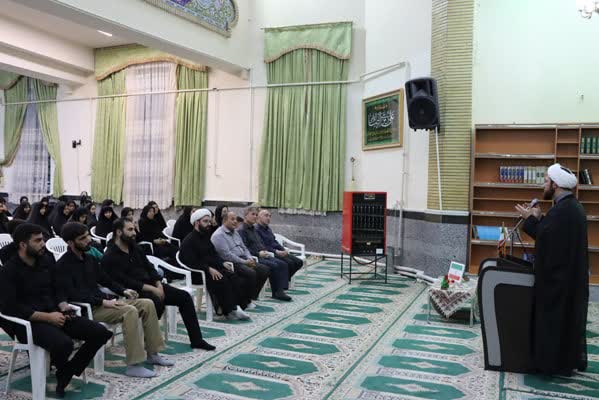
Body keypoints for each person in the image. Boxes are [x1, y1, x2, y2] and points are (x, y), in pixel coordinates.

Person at [0, 223, 112, 398]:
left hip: (55, 313)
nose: (43, 244)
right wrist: (47, 317)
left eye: (43, 239)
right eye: (38, 241)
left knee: (101, 332)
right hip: (30, 322)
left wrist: (62, 304)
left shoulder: (46, 261)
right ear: (23, 244)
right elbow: (11, 307)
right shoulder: (9, 271)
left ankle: (66, 371)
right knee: (64, 344)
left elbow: (57, 286)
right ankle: (65, 371)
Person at [55, 223, 173, 378]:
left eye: (88, 235)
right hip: (87, 310)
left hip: (103, 303)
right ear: (71, 243)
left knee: (147, 303)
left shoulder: (89, 259)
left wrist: (123, 291)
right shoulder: (62, 265)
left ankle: (153, 353)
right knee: (129, 311)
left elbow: (106, 280)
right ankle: (134, 364)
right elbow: (73, 295)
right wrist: (103, 302)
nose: (89, 240)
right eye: (82, 238)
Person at [515, 163, 589, 376]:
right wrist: (538, 218)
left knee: (552, 322)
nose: (544, 185)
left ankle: (549, 364)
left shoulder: (564, 210)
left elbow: (545, 237)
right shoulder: (568, 207)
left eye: (547, 181)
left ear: (555, 185)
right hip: (566, 278)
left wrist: (530, 220)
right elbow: (553, 233)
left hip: (559, 281)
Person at [101, 219, 215, 351]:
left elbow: (149, 267)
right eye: (130, 230)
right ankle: (150, 344)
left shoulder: (134, 247)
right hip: (132, 292)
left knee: (184, 297)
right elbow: (124, 281)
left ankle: (197, 340)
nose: (134, 233)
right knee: (155, 301)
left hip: (152, 285)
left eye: (134, 229)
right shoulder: (110, 256)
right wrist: (152, 289)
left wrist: (158, 284)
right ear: (119, 232)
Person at [179, 209, 252, 320]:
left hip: (210, 269)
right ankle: (230, 310)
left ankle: (236, 307)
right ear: (197, 223)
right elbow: (190, 261)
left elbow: (213, 254)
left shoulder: (205, 236)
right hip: (198, 273)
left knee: (233, 276)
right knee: (222, 279)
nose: (208, 224)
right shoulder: (189, 240)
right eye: (205, 221)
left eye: (209, 221)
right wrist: (208, 269)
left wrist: (222, 263)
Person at [211, 211, 271, 306]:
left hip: (243, 259)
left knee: (264, 269)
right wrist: (245, 262)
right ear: (224, 221)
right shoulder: (218, 235)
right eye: (232, 219)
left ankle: (250, 297)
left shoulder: (235, 232)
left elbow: (244, 248)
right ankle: (245, 301)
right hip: (232, 263)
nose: (235, 221)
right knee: (251, 273)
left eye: (235, 219)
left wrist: (250, 258)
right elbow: (227, 255)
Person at [239, 207, 291, 301]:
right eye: (253, 214)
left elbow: (261, 243)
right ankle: (276, 292)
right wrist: (258, 253)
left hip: (263, 254)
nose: (255, 216)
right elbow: (244, 248)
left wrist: (265, 251)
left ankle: (280, 290)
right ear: (246, 215)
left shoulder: (253, 229)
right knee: (274, 265)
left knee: (282, 263)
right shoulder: (242, 230)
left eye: (256, 214)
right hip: (254, 256)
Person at [256, 209, 303, 281]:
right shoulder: (256, 230)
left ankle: (283, 280)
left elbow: (274, 241)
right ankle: (282, 282)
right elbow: (262, 246)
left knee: (299, 262)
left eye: (270, 216)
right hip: (270, 253)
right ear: (259, 217)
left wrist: (283, 249)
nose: (268, 218)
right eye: (266, 216)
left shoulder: (268, 229)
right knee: (289, 263)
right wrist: (276, 251)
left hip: (277, 251)